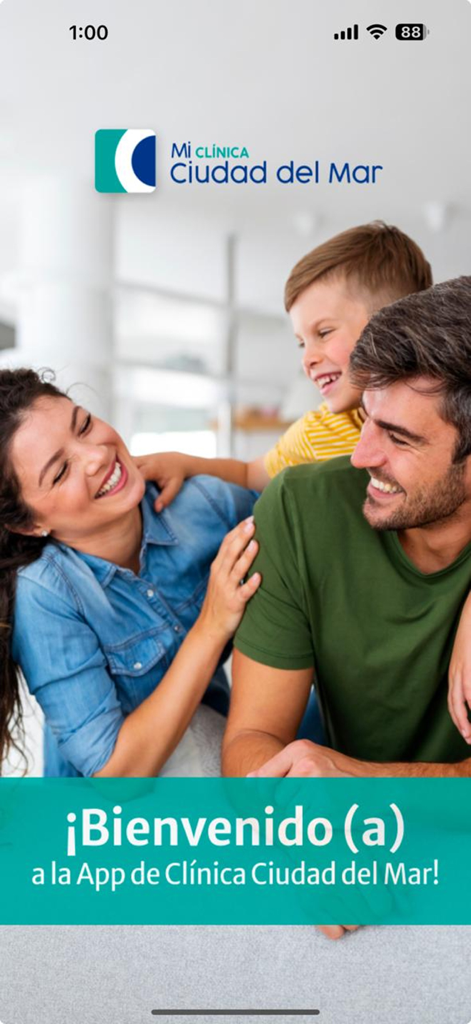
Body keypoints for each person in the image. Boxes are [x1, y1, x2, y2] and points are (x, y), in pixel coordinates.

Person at [137, 224, 471, 740]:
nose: (307, 357)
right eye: (300, 341)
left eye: (323, 332)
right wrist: (185, 460)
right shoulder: (317, 435)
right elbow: (253, 474)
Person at [222, 276, 471, 776]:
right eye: (366, 419)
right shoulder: (298, 508)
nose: (360, 456)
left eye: (399, 439)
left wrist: (365, 783)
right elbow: (251, 740)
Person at [0, 369, 259, 778]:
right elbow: (115, 773)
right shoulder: (45, 593)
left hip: (210, 764)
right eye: (60, 472)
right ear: (29, 524)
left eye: (84, 425)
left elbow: (298, 510)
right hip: (106, 824)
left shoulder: (205, 504)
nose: (97, 455)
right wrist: (211, 626)